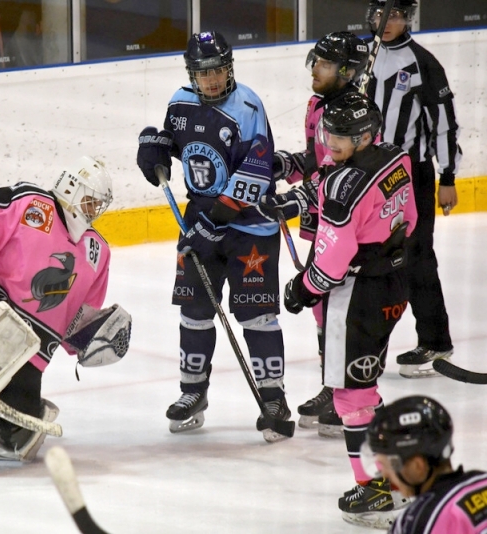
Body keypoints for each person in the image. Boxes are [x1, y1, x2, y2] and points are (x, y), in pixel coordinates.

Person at [0, 155, 131, 462]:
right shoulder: (31, 203)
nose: (93, 212)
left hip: (28, 352)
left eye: (98, 206)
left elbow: (77, 323)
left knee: (13, 442)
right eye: (90, 202)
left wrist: (98, 338)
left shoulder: (98, 253)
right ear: (70, 187)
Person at [137, 31, 291, 442]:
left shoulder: (248, 107)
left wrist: (212, 223)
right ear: (192, 74)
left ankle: (274, 397)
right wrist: (155, 145)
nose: (211, 81)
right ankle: (193, 394)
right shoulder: (180, 101)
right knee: (194, 312)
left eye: (218, 71)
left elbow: (256, 175)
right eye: (203, 73)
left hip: (248, 227)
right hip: (200, 220)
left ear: (230, 69)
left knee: (256, 315)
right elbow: (176, 140)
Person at [280, 92, 417, 529]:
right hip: (394, 282)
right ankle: (390, 474)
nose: (331, 141)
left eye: (343, 136)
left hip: (357, 294)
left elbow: (331, 263)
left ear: (364, 136)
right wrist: (300, 201)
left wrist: (301, 290)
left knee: (350, 397)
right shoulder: (396, 158)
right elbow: (401, 214)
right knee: (365, 383)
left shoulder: (344, 183)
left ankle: (380, 488)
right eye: (329, 132)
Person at [267, 31, 369, 438]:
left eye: (325, 64)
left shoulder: (359, 116)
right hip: (321, 218)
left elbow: (344, 174)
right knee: (323, 309)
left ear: (346, 71)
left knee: (344, 309)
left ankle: (350, 390)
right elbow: (317, 158)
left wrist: (297, 198)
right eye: (316, 60)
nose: (315, 69)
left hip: (347, 223)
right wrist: (287, 164)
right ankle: (334, 386)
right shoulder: (318, 104)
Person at [365, 0, 462, 378]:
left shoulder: (424, 63)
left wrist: (449, 177)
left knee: (417, 256)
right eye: (380, 14)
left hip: (411, 175)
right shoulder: (364, 55)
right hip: (368, 175)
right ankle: (367, 345)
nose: (386, 22)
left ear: (408, 18)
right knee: (370, 259)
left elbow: (444, 125)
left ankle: (436, 341)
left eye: (395, 15)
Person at [361, 395, 487, 533]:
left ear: (417, 466)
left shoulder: (417, 521)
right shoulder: (482, 481)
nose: (384, 474)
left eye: (386, 466)